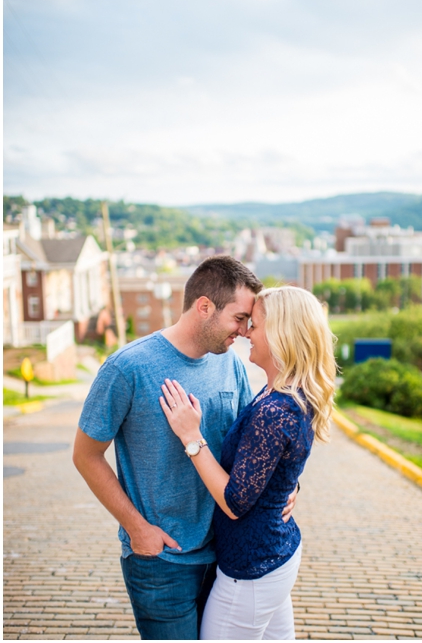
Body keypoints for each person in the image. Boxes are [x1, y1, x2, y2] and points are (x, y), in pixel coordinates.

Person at [73, 256, 297, 640]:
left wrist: (289, 488)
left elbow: (259, 450)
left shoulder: (232, 367)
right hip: (161, 562)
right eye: (240, 318)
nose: (245, 331)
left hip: (227, 557)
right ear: (204, 307)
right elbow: (85, 455)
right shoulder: (127, 367)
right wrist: (136, 528)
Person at [160, 285, 336, 639]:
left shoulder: (275, 409)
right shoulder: (281, 391)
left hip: (251, 569)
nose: (245, 333)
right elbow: (277, 464)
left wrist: (191, 437)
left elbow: (236, 502)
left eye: (254, 325)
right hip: (275, 555)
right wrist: (288, 487)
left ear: (282, 333)